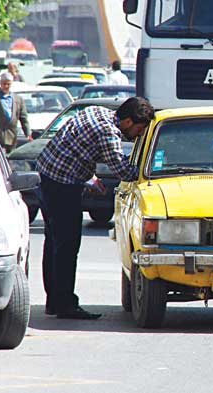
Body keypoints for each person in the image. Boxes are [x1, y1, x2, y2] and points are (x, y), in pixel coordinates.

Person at [36, 96, 155, 319]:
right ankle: (64, 304)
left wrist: (88, 176)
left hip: (46, 175)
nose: (139, 134)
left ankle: (54, 300)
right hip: (63, 186)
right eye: (139, 129)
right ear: (128, 122)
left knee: (53, 241)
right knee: (67, 245)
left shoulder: (96, 111)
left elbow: (74, 145)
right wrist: (149, 169)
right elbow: (124, 171)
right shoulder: (108, 134)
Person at [0, 72, 31, 153]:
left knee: (10, 160)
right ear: (0, 84)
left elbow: (23, 118)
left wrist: (27, 133)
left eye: (8, 84)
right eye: (4, 84)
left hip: (12, 136)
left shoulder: (18, 99)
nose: (6, 86)